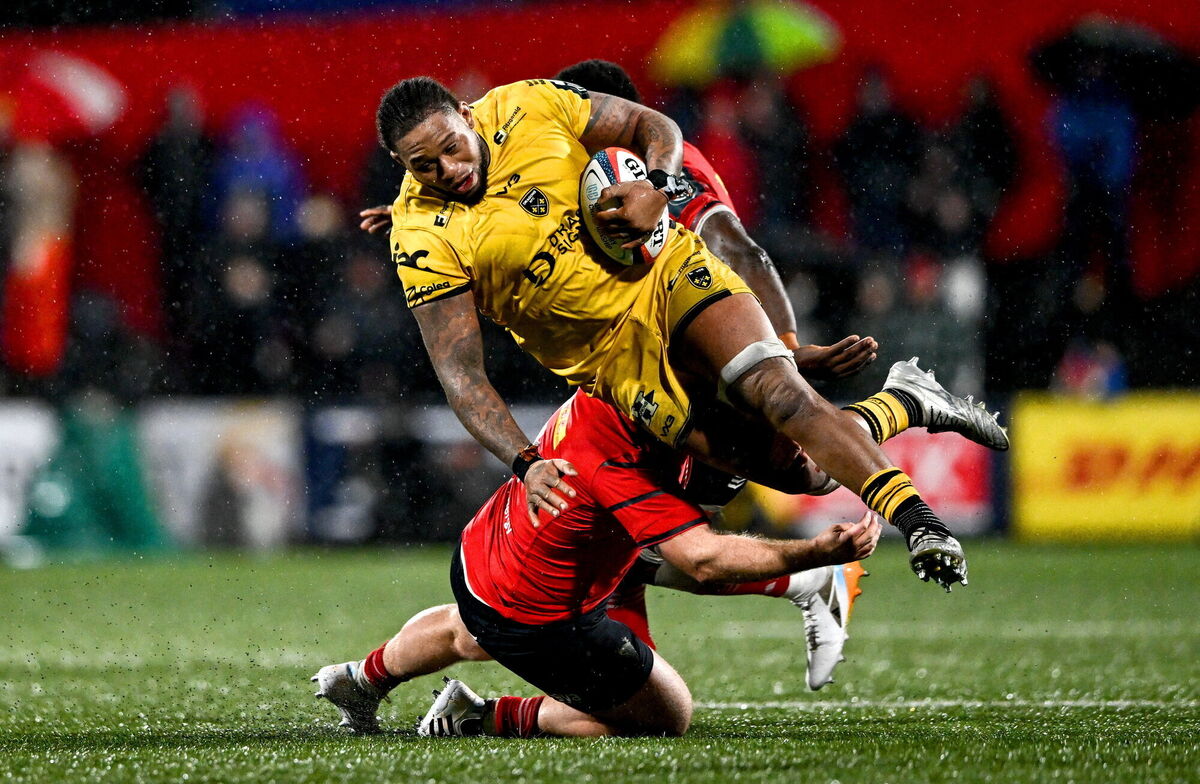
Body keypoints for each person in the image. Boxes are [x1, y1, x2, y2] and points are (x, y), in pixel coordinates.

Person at [368, 74, 1007, 589]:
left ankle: (922, 524)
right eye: (425, 166)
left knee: (781, 395)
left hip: (669, 274)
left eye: (452, 146)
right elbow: (461, 374)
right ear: (400, 165)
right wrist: (525, 462)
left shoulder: (527, 104)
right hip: (616, 363)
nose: (448, 168)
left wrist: (659, 185)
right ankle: (908, 401)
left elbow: (654, 126)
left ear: (467, 114)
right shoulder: (419, 237)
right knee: (804, 473)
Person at [313, 389, 881, 737]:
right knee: (666, 715)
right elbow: (702, 560)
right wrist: (815, 548)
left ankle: (363, 679)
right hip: (539, 619)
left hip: (486, 554)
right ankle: (480, 716)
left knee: (474, 627)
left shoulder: (607, 388)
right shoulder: (621, 463)